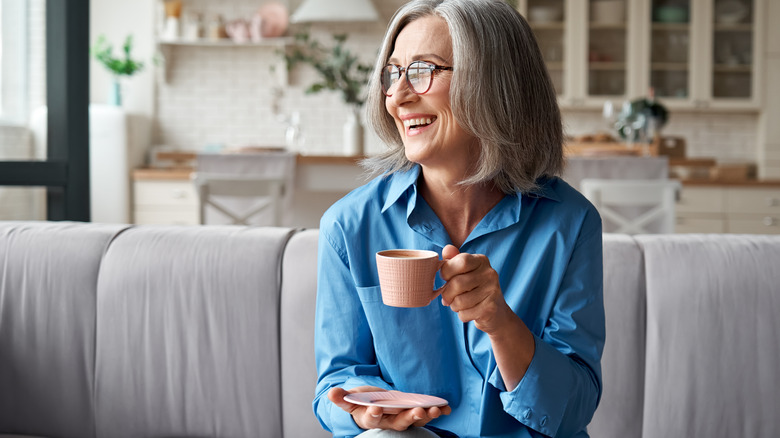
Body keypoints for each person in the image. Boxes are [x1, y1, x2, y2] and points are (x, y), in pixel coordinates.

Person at [313, 0, 605, 437]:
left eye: (422, 71)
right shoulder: (349, 227)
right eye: (393, 73)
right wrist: (362, 409)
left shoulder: (569, 224)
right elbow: (336, 382)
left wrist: (499, 321)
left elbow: (573, 409)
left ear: (494, 84)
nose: (397, 96)